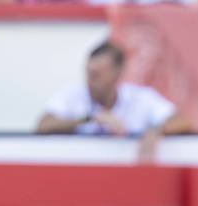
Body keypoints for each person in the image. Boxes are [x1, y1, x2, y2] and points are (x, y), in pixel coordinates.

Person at [35, 41, 189, 163]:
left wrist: (154, 132)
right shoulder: (72, 96)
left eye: (97, 74)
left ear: (118, 73)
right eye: (89, 73)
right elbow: (43, 125)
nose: (90, 81)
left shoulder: (141, 98)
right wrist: (89, 119)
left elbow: (182, 122)